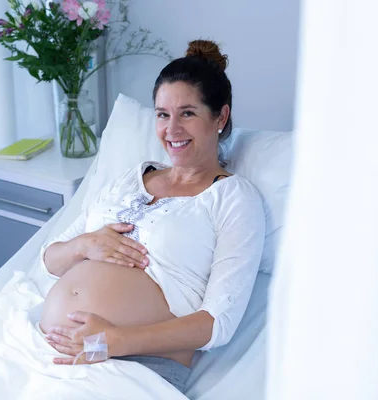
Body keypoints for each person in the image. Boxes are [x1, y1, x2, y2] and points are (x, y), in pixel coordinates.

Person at [39, 39, 265, 394]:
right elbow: (51, 259)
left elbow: (216, 324)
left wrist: (115, 341)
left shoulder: (234, 198)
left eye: (187, 113)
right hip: (49, 351)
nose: (171, 129)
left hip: (132, 363)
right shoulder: (131, 177)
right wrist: (86, 244)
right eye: (162, 114)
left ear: (219, 117)